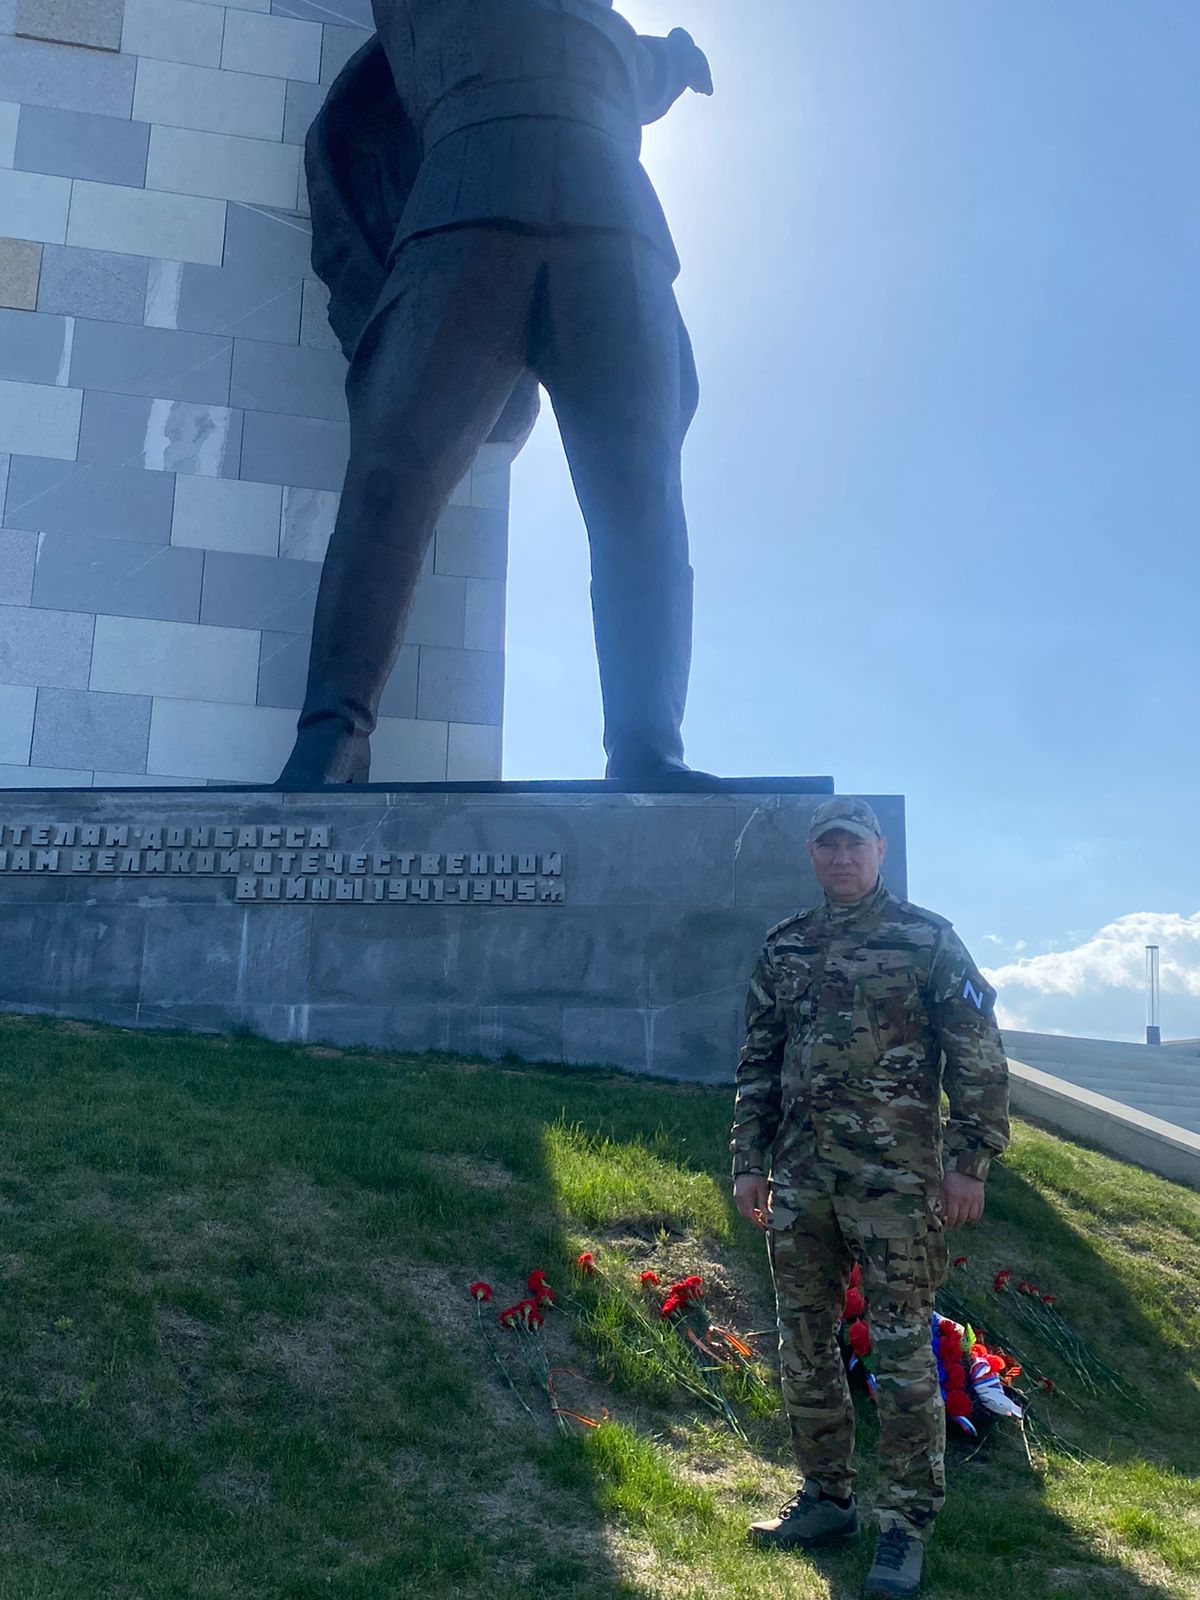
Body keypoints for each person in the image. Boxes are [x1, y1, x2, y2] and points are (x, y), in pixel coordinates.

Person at [277, 0, 714, 788]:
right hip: (462, 218)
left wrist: (676, 60)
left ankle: (649, 749)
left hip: (619, 238)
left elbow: (645, 78)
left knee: (643, 503)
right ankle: (332, 734)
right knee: (388, 481)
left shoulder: (617, 42)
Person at [730, 796, 1010, 1599]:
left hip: (896, 1185)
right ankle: (825, 1501)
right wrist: (749, 1160)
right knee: (805, 1343)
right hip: (804, 1181)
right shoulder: (785, 946)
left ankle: (904, 1526)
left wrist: (970, 1163)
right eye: (828, 846)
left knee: (899, 1351)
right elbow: (758, 1059)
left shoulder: (927, 940)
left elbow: (978, 1057)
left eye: (854, 844)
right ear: (813, 856)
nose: (841, 858)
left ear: (880, 849)